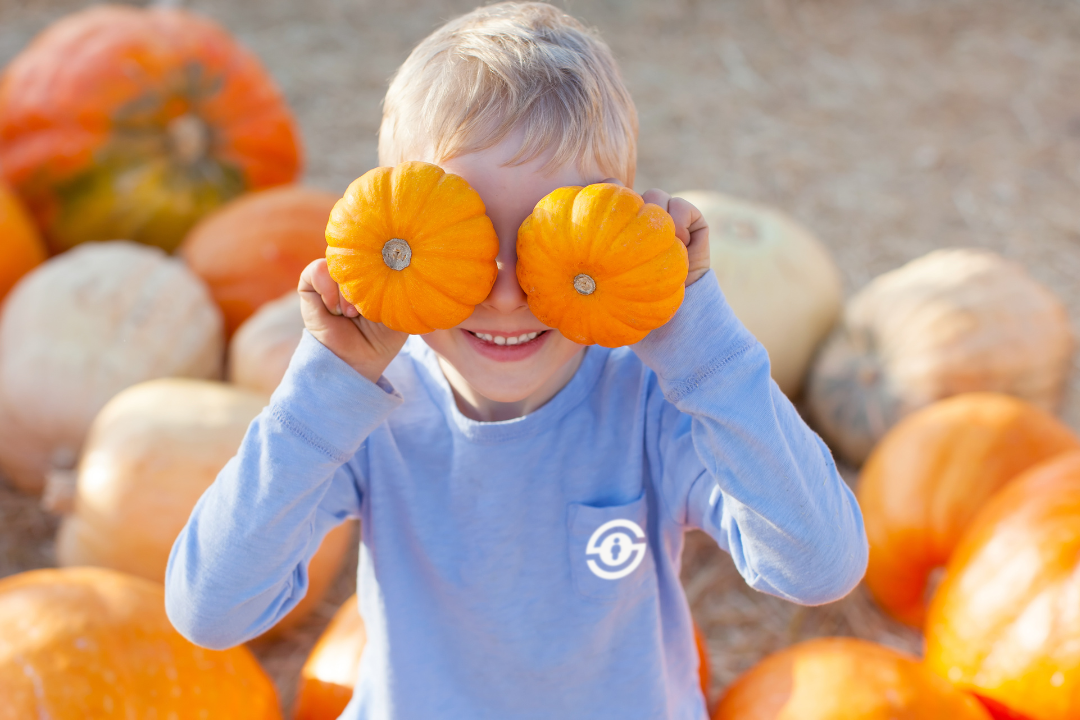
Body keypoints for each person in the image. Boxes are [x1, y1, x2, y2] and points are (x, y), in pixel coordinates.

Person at [165, 3, 868, 718]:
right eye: (462, 236)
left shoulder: (651, 403)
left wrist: (701, 348)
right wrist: (327, 388)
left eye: (546, 234)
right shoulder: (373, 409)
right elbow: (211, 609)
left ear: (611, 227)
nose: (505, 292)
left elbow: (818, 566)